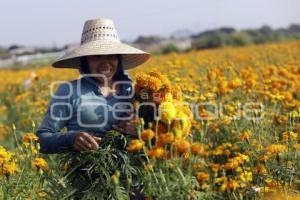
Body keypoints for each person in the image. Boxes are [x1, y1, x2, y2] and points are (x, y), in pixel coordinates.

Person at [35, 18, 150, 199]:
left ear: (119, 58)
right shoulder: (69, 91)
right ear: (85, 60)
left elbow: (162, 135)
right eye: (97, 56)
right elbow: (41, 139)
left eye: (111, 55)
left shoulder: (136, 90)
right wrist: (71, 138)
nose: (105, 62)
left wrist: (142, 131)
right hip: (90, 188)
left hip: (135, 186)